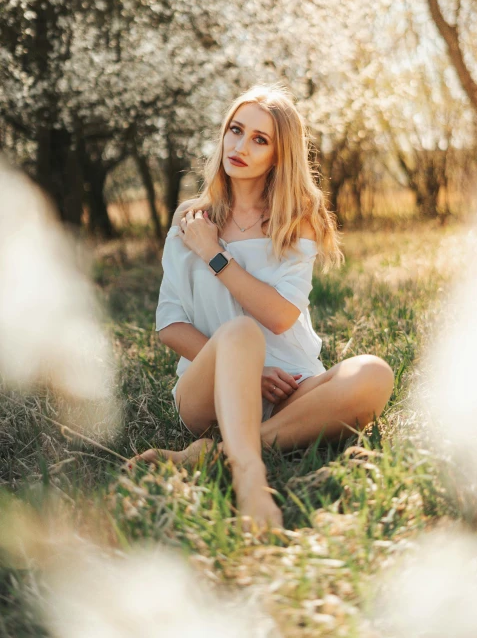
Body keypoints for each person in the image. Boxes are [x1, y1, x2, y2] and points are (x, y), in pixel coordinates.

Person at [131, 84, 394, 531]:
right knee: (240, 334)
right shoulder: (190, 221)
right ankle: (249, 477)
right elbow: (169, 324)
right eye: (236, 131)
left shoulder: (295, 221)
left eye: (260, 139)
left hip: (291, 389)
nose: (240, 146)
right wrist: (247, 370)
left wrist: (216, 255)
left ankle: (218, 452)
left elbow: (280, 315)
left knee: (374, 373)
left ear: (279, 154)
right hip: (208, 391)